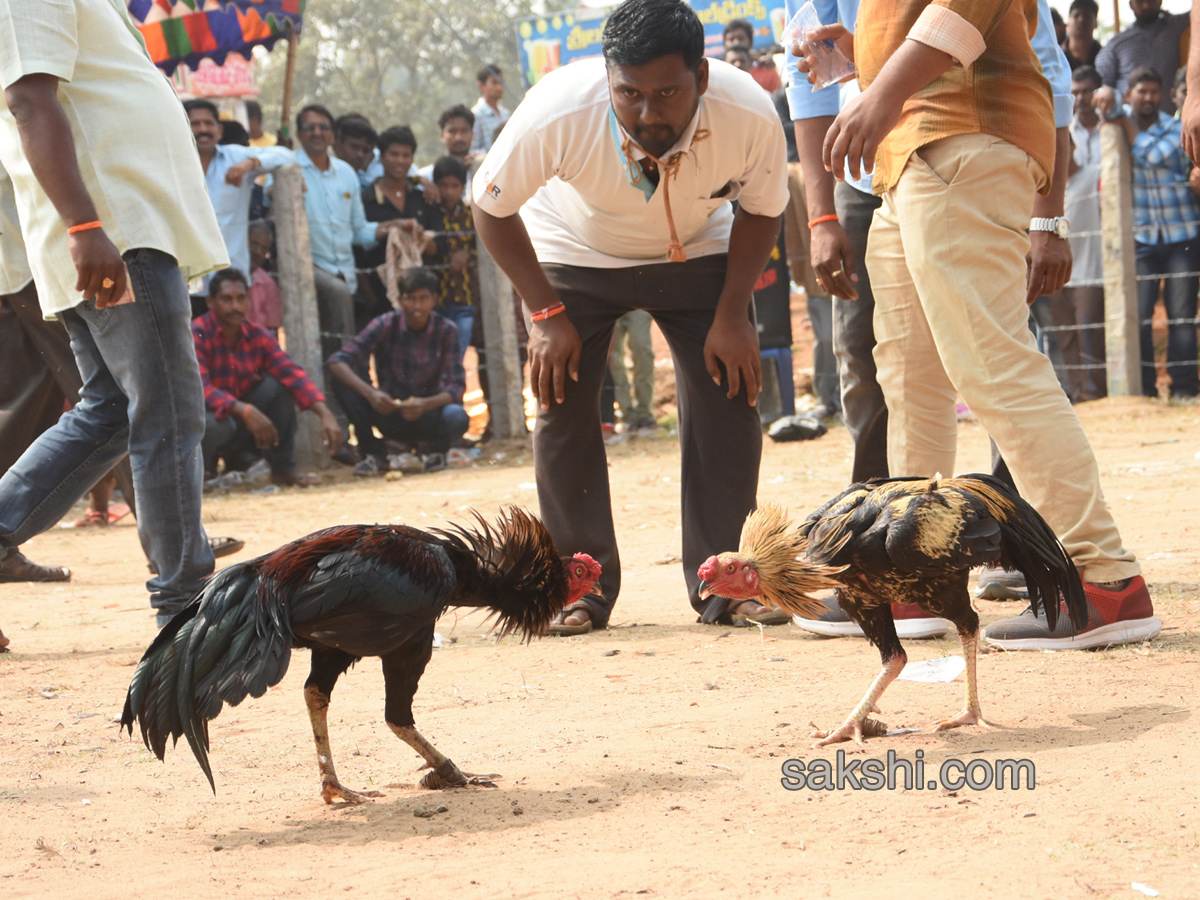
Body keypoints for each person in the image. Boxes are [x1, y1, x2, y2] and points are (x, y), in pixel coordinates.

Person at [801, 0, 1158, 651]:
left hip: (958, 145)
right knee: (911, 375)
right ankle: (913, 576)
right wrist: (865, 53)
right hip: (910, 156)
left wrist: (881, 89)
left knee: (992, 364)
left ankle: (1105, 577)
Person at [472, 0, 790, 633]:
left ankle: (725, 580)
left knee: (731, 395)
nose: (648, 113)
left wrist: (733, 314)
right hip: (574, 252)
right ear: (606, 76)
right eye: (630, 94)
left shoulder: (747, 111)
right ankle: (578, 580)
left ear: (701, 77)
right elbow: (490, 206)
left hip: (697, 248)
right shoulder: (558, 110)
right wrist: (546, 312)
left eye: (668, 93)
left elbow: (762, 209)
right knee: (560, 399)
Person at [0, 0, 230, 627]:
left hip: (117, 228)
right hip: (115, 232)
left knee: (114, 412)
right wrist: (85, 224)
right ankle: (184, 602)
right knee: (168, 411)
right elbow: (29, 102)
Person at [1095, 66, 1200, 399]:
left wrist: (1125, 123)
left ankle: (1184, 387)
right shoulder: (1121, 118)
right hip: (1141, 240)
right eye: (1142, 91)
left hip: (1180, 235)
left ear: (1162, 94)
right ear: (1131, 94)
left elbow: (1153, 155)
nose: (1149, 98)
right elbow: (1105, 101)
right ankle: (1146, 391)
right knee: (1138, 316)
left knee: (1181, 316)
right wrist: (1108, 96)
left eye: (1154, 91)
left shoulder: (1175, 126)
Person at [194, 268, 340, 486]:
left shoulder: (256, 334)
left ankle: (283, 469)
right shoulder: (196, 333)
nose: (235, 306)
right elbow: (199, 389)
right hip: (207, 420)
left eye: (240, 298)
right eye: (226, 299)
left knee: (278, 388)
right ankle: (200, 475)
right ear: (210, 302)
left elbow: (290, 371)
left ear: (248, 301)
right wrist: (244, 409)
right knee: (217, 425)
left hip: (239, 420)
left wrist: (324, 412)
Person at [327, 267, 469, 476]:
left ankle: (436, 452)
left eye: (423, 298)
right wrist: (372, 394)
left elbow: (457, 386)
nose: (417, 306)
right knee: (341, 381)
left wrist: (425, 404)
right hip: (389, 410)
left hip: (428, 411)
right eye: (410, 298)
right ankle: (373, 452)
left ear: (434, 299)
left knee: (457, 416)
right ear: (401, 300)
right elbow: (337, 362)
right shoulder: (385, 324)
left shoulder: (446, 330)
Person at [292, 104, 395, 369]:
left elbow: (359, 231)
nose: (317, 132)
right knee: (328, 344)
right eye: (310, 127)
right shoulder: (289, 168)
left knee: (335, 342)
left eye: (323, 127)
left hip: (344, 273)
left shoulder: (347, 173)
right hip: (309, 269)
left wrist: (394, 226)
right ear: (299, 133)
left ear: (331, 135)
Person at [1047, 65, 1108, 402]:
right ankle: (1076, 394)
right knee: (1066, 335)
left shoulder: (1094, 176)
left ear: (1069, 147)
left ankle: (1096, 393)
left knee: (1089, 333)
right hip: (1058, 273)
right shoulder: (1042, 190)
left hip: (1090, 270)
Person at [184, 99, 292, 280]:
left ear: (219, 130)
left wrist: (250, 163)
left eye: (208, 123)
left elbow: (287, 155)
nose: (203, 129)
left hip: (232, 282)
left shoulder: (234, 157)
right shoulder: (173, 167)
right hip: (189, 283)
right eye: (195, 124)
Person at [357, 125, 438, 328]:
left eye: (406, 155)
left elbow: (440, 246)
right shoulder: (366, 200)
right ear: (381, 157)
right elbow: (358, 250)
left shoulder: (423, 198)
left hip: (423, 299)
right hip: (381, 295)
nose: (400, 160)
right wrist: (370, 298)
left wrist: (420, 240)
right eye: (394, 154)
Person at [1096, 0, 1190, 114]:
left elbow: (1196, 12)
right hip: (1130, 123)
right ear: (1131, 5)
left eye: (1151, 0)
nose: (1146, 5)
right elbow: (1101, 84)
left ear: (1160, 1)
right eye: (1140, 1)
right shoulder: (1116, 44)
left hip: (1169, 121)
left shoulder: (1175, 26)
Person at [429, 155, 479, 362]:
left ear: (463, 186)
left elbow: (483, 247)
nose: (448, 191)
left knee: (456, 357)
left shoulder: (472, 214)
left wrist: (469, 255)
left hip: (463, 298)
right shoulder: (429, 212)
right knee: (434, 357)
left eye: (454, 185)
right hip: (434, 300)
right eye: (443, 185)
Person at [609, 310, 657, 432]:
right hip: (610, 298)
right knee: (613, 356)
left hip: (638, 301)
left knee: (642, 350)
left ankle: (644, 412)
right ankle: (626, 413)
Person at [418, 105, 478, 197]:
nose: (459, 137)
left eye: (464, 131)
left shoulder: (482, 174)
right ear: (442, 135)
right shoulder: (426, 177)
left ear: (472, 134)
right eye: (452, 131)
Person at [246, 219, 282, 335]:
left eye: (264, 249)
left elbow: (272, 331)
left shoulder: (268, 284)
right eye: (254, 244)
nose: (257, 252)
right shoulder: (225, 276)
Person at [333, 113, 379, 190]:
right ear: (337, 145)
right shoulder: (317, 180)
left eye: (365, 150)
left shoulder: (368, 191)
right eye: (354, 147)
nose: (360, 155)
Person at [471, 64, 511, 154]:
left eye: (501, 82)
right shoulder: (476, 115)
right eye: (494, 82)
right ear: (481, 85)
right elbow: (473, 150)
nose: (499, 87)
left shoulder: (505, 114)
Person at [1063, 0, 1102, 70]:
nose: (1081, 19)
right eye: (1076, 15)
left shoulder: (1105, 55)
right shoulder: (1057, 56)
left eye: (1087, 16)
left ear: (1096, 23)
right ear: (1068, 23)